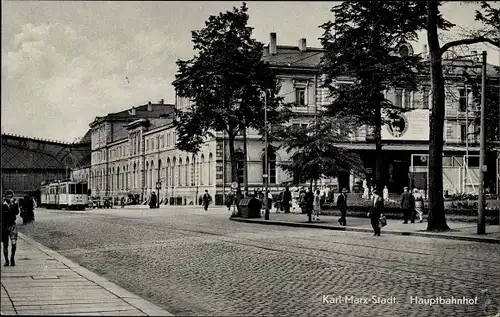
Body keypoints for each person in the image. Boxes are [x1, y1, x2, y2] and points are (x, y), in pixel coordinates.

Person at [2, 197, 19, 266]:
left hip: (12, 226)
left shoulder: (14, 205)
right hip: (4, 227)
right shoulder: (2, 205)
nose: (9, 198)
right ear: (5, 197)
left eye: (11, 196)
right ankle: (6, 260)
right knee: (5, 244)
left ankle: (12, 259)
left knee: (14, 243)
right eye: (8, 196)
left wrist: (13, 205)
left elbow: (16, 213)